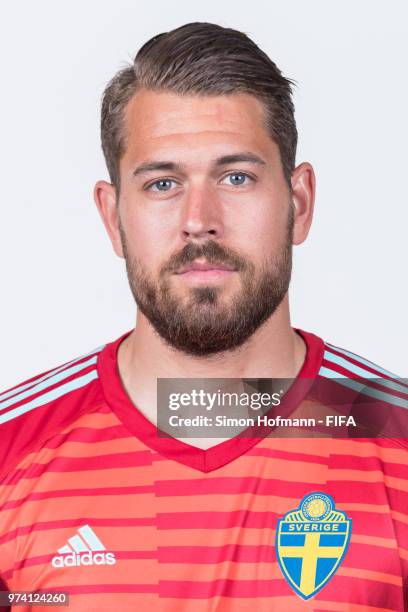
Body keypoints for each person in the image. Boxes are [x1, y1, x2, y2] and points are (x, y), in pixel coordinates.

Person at [0, 22, 406, 611]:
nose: (199, 219)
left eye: (236, 177)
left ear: (299, 204)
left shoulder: (396, 444)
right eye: (163, 183)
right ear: (113, 218)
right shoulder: (11, 455)